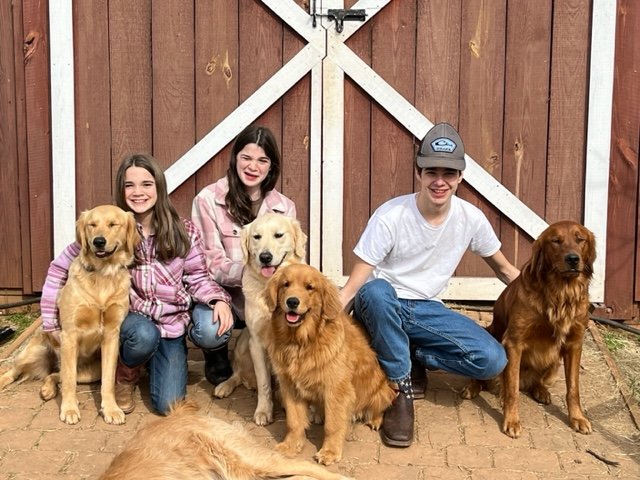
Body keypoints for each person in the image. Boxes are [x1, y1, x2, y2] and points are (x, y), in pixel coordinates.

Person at [338, 122, 520, 448]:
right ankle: (399, 388)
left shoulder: (471, 219)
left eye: (449, 174)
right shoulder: (391, 215)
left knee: (493, 360)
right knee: (376, 291)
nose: (440, 181)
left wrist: (551, 298)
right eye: (431, 171)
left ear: (461, 177)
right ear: (418, 172)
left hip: (426, 311)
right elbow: (354, 286)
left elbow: (507, 271)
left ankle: (412, 354)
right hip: (382, 303)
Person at [40, 153, 233, 415]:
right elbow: (59, 268)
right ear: (121, 189)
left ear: (159, 188)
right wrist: (50, 319)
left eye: (146, 184)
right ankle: (127, 371)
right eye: (130, 185)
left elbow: (198, 275)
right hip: (136, 323)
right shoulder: (113, 227)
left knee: (168, 405)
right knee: (142, 335)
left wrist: (218, 299)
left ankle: (163, 362)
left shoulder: (182, 230)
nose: (138, 192)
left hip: (170, 325)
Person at [192, 125, 296, 385]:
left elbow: (292, 259)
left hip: (268, 295)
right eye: (246, 158)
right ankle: (216, 355)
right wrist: (253, 272)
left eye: (262, 160)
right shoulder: (207, 199)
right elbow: (209, 261)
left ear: (271, 166)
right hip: (224, 296)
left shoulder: (284, 208)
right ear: (234, 158)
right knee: (208, 330)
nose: (253, 167)